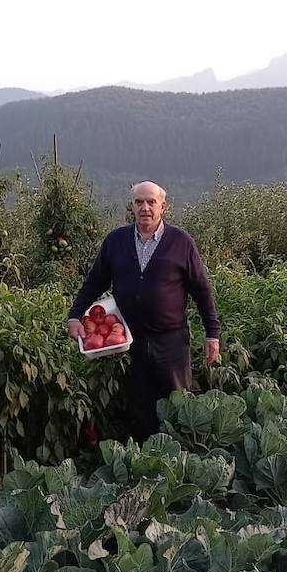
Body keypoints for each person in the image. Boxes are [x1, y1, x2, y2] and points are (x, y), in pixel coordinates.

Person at [68, 180, 221, 440]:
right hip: (130, 341)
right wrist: (75, 314)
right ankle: (144, 466)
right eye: (139, 202)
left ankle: (179, 463)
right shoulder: (116, 241)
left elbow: (201, 289)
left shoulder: (181, 242)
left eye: (151, 202)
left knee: (177, 406)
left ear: (163, 207)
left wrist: (212, 334)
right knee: (140, 408)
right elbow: (95, 281)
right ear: (132, 206)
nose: (145, 208)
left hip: (171, 342)